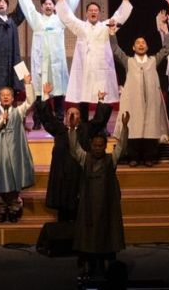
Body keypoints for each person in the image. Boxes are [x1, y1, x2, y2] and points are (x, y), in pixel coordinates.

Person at [36, 86, 112, 222]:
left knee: (79, 204)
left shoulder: (86, 129)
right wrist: (46, 95)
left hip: (79, 171)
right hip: (62, 172)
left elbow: (99, 121)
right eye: (70, 113)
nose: (72, 115)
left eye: (76, 113)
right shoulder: (59, 129)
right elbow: (47, 118)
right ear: (65, 117)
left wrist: (100, 100)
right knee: (63, 206)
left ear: (80, 118)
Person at [69, 111, 130, 276]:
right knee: (88, 235)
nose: (97, 148)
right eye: (95, 145)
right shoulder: (85, 158)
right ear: (91, 145)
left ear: (105, 146)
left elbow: (122, 147)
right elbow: (74, 149)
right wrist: (72, 130)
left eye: (100, 145)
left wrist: (124, 128)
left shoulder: (111, 159)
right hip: (89, 205)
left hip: (106, 205)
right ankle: (89, 264)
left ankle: (107, 264)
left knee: (107, 233)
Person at [17, 0, 80, 123]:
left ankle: (59, 118)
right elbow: (28, 8)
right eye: (45, 4)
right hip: (41, 62)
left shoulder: (60, 19)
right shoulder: (37, 20)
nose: (48, 6)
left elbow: (68, 8)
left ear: (55, 6)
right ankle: (39, 120)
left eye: (51, 4)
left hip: (56, 63)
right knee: (40, 92)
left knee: (58, 91)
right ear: (42, 7)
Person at [56, 0, 133, 107]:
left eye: (96, 10)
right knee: (83, 97)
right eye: (91, 10)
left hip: (101, 68)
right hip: (84, 67)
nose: (93, 12)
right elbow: (68, 18)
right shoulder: (80, 27)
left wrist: (125, 0)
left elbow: (119, 17)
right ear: (86, 13)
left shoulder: (105, 26)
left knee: (102, 98)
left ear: (99, 13)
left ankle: (101, 120)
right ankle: (84, 119)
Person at [110, 25, 169, 167]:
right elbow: (115, 49)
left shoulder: (154, 60)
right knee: (133, 127)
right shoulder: (128, 61)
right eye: (138, 43)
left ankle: (149, 157)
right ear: (133, 47)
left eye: (143, 43)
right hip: (134, 102)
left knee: (151, 128)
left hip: (151, 102)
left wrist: (166, 33)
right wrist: (112, 34)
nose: (141, 45)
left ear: (147, 47)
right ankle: (133, 157)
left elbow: (167, 49)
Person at [0, 75, 36, 222]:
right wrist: (2, 119)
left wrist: (28, 84)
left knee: (14, 178)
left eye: (8, 95)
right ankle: (0, 208)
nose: (6, 97)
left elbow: (30, 101)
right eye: (3, 95)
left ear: (13, 98)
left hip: (14, 153)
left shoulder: (18, 111)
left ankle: (14, 208)